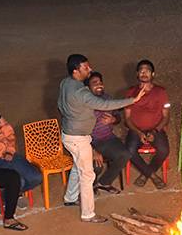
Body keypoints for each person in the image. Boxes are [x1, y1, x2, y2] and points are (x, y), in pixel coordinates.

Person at [58, 54, 144, 222]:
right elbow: (105, 105)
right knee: (87, 174)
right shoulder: (81, 92)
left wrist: (70, 116)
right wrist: (133, 100)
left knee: (78, 166)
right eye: (85, 68)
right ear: (76, 71)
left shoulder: (65, 83)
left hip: (69, 134)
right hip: (78, 137)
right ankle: (88, 214)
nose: (89, 70)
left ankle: (70, 198)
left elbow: (60, 105)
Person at [124, 59, 171, 189]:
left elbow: (166, 116)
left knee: (164, 150)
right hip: (135, 130)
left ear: (153, 74)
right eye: (141, 71)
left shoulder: (161, 92)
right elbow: (127, 118)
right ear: (137, 74)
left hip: (156, 129)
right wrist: (138, 132)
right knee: (129, 151)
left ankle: (145, 174)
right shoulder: (130, 92)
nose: (144, 73)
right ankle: (152, 176)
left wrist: (155, 131)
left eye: (147, 71)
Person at [86, 71, 132, 194]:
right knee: (97, 166)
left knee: (125, 154)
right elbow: (80, 132)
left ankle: (104, 183)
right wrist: (93, 150)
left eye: (100, 82)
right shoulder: (85, 103)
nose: (99, 85)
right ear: (88, 87)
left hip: (108, 139)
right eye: (95, 83)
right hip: (92, 141)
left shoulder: (108, 98)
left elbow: (118, 117)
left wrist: (113, 119)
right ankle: (92, 184)